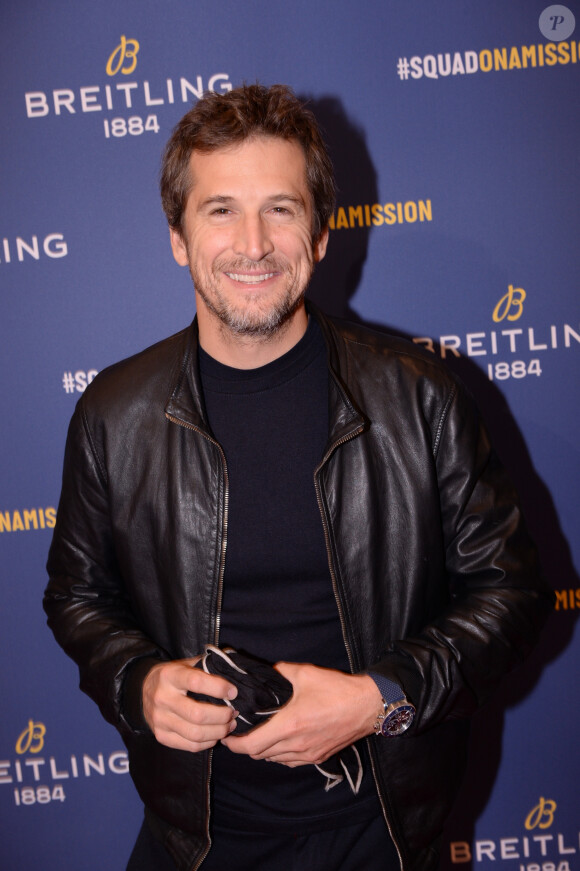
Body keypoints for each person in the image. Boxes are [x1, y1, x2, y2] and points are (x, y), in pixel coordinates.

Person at [44, 84, 553, 871]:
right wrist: (136, 680)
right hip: (193, 842)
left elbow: (512, 595)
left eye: (280, 209)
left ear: (319, 235)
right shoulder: (114, 413)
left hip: (380, 832)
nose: (253, 243)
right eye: (220, 210)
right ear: (178, 236)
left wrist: (376, 700)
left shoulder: (420, 397)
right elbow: (76, 598)